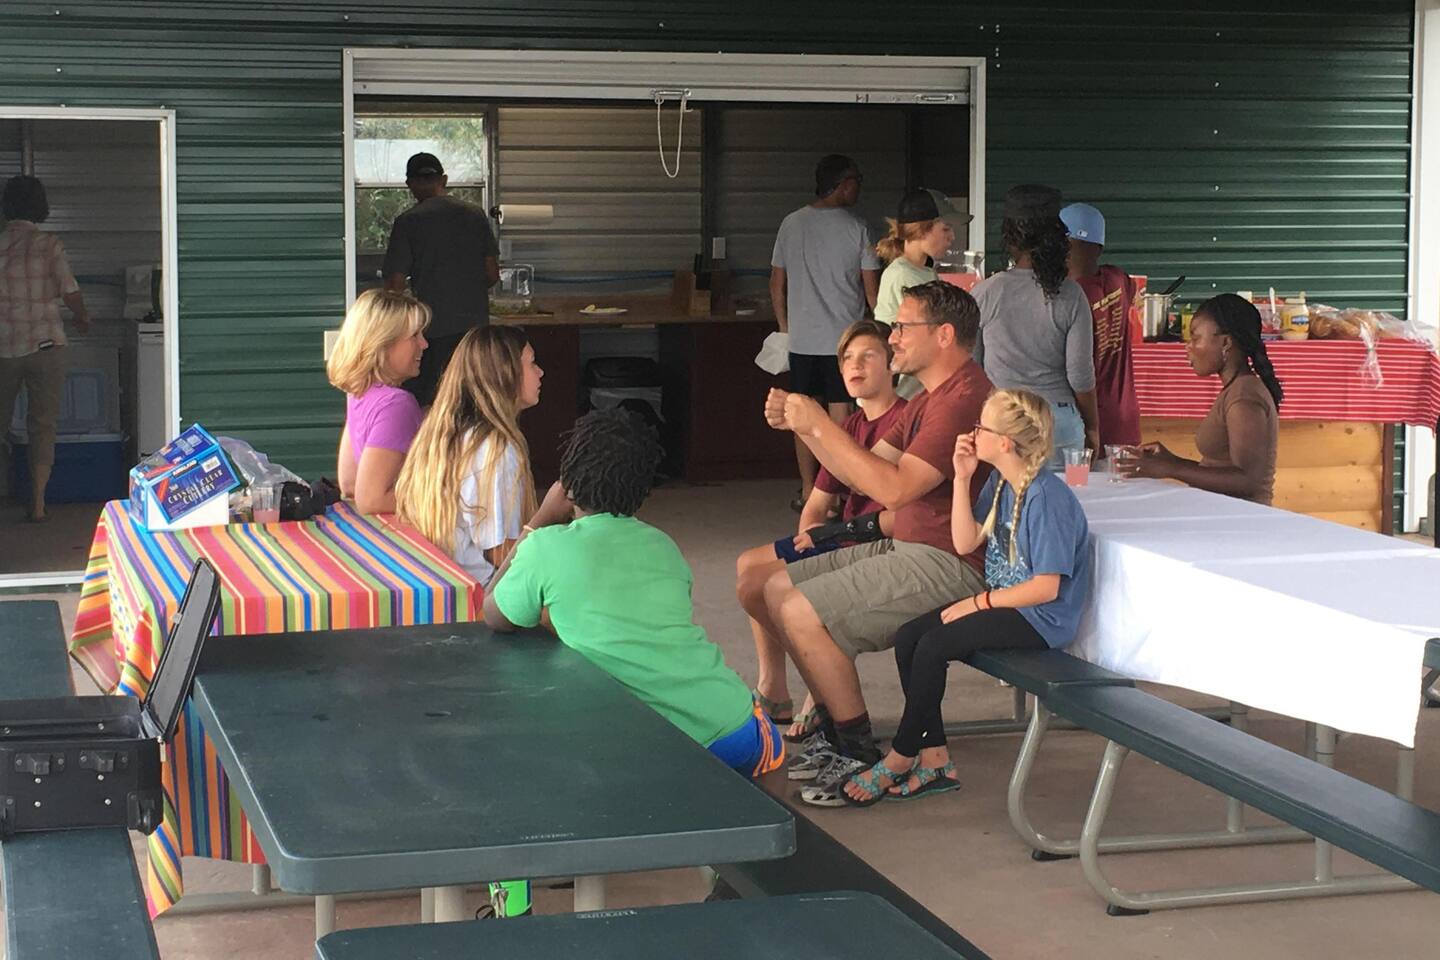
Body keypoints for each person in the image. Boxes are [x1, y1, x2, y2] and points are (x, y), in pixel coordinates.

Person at [757, 281, 993, 807]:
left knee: (799, 609)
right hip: (909, 544)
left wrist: (817, 421)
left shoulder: (961, 399)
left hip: (951, 560)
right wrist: (809, 429)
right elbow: (862, 475)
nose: (894, 337)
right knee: (775, 589)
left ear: (945, 334)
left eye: (904, 326)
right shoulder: (930, 397)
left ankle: (854, 750)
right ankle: (835, 728)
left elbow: (891, 489)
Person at [483, 407, 784, 775]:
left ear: (569, 482)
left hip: (641, 744)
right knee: (768, 755)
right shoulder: (663, 546)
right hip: (728, 730)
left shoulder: (544, 547)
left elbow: (493, 613)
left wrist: (539, 519)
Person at [840, 388, 1091, 805]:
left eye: (981, 427)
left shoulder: (1047, 497)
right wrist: (960, 477)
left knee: (935, 645)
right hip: (1009, 603)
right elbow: (963, 540)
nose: (972, 433)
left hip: (1040, 618)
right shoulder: (999, 482)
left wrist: (978, 603)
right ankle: (936, 758)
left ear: (1005, 442)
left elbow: (1047, 587)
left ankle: (902, 755)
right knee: (909, 637)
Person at [736, 319, 906, 735]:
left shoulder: (904, 418)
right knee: (749, 570)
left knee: (774, 582)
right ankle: (774, 689)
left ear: (892, 365)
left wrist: (808, 426)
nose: (855, 366)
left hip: (881, 541)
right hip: (840, 538)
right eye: (847, 358)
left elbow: (855, 477)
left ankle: (820, 695)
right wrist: (807, 538)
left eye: (868, 356)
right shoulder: (847, 426)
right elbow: (816, 504)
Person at [770, 154, 883, 508]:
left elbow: (776, 284)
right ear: (843, 184)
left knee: (800, 414)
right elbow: (872, 292)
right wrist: (879, 334)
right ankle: (837, 493)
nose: (860, 188)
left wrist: (786, 329)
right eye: (857, 181)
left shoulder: (791, 224)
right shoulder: (858, 229)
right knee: (841, 417)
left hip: (802, 341)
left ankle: (808, 489)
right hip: (844, 342)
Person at [395, 326, 543, 587]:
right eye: (531, 364)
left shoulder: (447, 433)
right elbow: (500, 551)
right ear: (504, 375)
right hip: (480, 594)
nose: (540, 372)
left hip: (445, 580)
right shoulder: (495, 449)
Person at [973, 184, 1099, 468]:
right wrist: (1092, 427)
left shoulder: (985, 293)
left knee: (1004, 505)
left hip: (1003, 422)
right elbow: (1080, 375)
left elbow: (973, 366)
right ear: (1057, 237)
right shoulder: (1071, 294)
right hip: (1060, 425)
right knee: (1071, 504)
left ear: (1009, 237)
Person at [1119, 294, 1281, 504]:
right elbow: (1221, 468)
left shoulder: (1244, 397)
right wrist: (1171, 461)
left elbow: (1247, 480)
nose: (1188, 347)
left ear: (1226, 343)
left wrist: (1171, 468)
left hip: (1242, 521)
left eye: (1195, 338)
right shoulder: (1236, 389)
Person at [0, 175, 89, 523]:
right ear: (40, 206)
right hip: (46, 344)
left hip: (4, 348)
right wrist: (83, 317)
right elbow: (69, 289)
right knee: (43, 425)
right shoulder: (49, 243)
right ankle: (37, 503)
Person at [383, 152, 501, 407]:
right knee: (473, 403)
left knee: (431, 405)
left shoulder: (408, 222)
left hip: (430, 335)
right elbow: (492, 274)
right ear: (444, 180)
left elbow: (395, 286)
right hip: (475, 332)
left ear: (410, 185)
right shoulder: (475, 215)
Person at [327, 288, 430, 514]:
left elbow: (349, 483)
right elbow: (371, 499)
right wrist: (442, 499)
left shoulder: (360, 393)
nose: (424, 344)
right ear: (383, 343)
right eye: (415, 336)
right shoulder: (396, 404)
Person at [1061, 202, 1141, 447]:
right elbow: (1132, 287)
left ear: (1063, 245)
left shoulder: (1069, 299)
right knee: (1120, 485)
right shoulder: (1118, 279)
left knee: (1078, 485)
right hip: (1125, 423)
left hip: (1086, 428)